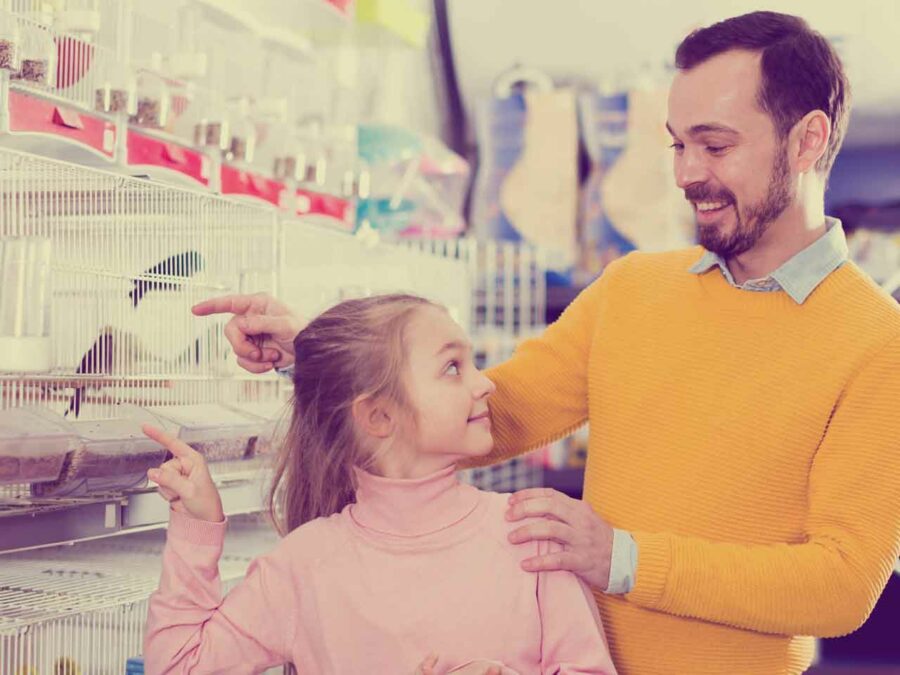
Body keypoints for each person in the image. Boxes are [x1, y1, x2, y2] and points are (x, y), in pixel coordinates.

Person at [195, 11, 900, 675]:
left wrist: (623, 559)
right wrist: (315, 350)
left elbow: (840, 584)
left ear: (807, 140)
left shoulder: (875, 342)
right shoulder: (633, 289)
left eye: (714, 146)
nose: (686, 173)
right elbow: (493, 410)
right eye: (678, 144)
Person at [142, 294, 617, 674]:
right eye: (453, 368)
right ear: (379, 416)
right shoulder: (303, 567)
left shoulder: (531, 535)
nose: (486, 383)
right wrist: (195, 527)